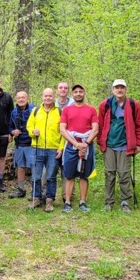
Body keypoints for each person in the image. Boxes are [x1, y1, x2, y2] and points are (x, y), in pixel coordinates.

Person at [97, 79, 140, 214]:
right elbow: (100, 125)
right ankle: (108, 202)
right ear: (113, 90)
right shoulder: (105, 105)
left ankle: (125, 202)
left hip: (125, 145)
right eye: (117, 88)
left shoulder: (133, 104)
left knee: (124, 174)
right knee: (109, 174)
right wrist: (100, 142)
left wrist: (139, 143)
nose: (119, 90)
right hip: (109, 145)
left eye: (122, 88)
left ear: (126, 90)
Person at [60, 84, 99, 212]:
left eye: (80, 92)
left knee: (84, 175)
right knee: (69, 175)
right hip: (72, 146)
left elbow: (95, 129)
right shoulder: (67, 110)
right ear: (72, 94)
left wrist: (85, 144)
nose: (78, 94)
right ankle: (67, 202)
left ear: (84, 93)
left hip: (86, 146)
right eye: (75, 92)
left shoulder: (91, 110)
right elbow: (63, 129)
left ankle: (82, 202)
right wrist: (76, 144)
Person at [26, 88, 64, 211]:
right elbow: (29, 125)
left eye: (50, 96)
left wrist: (61, 147)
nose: (48, 98)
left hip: (53, 148)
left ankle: (49, 200)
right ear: (42, 97)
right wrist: (33, 132)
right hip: (37, 147)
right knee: (36, 176)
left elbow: (64, 131)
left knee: (51, 177)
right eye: (46, 96)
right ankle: (36, 198)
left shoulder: (59, 111)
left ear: (54, 97)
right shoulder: (36, 111)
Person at [8, 91, 34, 199]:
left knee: (34, 167)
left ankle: (35, 191)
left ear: (27, 98)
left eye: (23, 97)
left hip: (31, 143)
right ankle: (21, 190)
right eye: (18, 98)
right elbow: (9, 126)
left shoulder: (34, 110)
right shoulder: (14, 112)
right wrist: (12, 132)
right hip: (19, 144)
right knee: (20, 167)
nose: (21, 100)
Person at [55, 81, 75, 202]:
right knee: (51, 170)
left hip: (70, 140)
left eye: (65, 88)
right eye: (60, 88)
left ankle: (67, 194)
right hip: (54, 141)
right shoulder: (52, 104)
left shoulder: (73, 104)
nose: (63, 90)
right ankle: (47, 195)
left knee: (67, 169)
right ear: (57, 90)